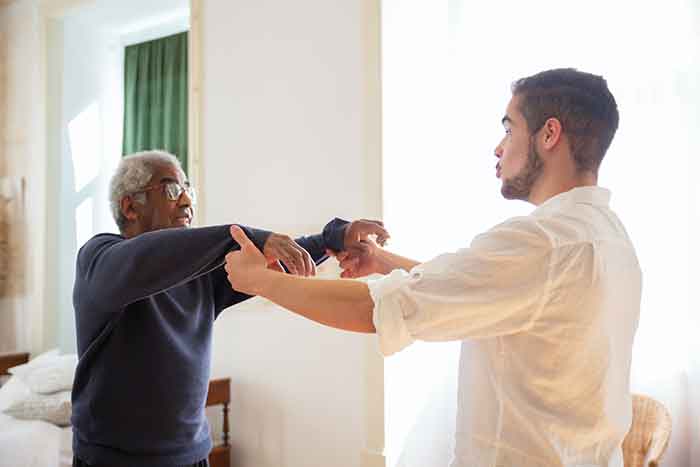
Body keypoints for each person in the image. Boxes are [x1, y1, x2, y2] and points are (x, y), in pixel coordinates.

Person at [224, 68, 642, 467]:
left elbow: (376, 310)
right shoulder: (608, 236)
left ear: (549, 134)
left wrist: (258, 280)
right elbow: (487, 289)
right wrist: (382, 261)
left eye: (508, 128)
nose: (499, 146)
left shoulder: (543, 243)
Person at [71, 150, 389, 467]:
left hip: (192, 456)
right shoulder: (98, 258)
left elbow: (273, 262)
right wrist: (244, 237)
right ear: (130, 206)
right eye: (171, 190)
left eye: (187, 191)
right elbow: (146, 259)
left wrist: (330, 240)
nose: (186, 202)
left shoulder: (199, 276)